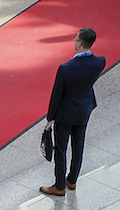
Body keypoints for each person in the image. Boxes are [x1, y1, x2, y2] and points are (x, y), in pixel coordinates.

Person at [40, 27, 106, 197]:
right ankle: (72, 179)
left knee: (60, 149)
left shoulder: (66, 68)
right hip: (84, 110)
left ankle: (59, 186)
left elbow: (57, 95)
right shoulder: (100, 62)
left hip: (65, 114)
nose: (74, 41)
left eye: (76, 39)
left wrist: (50, 118)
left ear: (80, 43)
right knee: (79, 146)